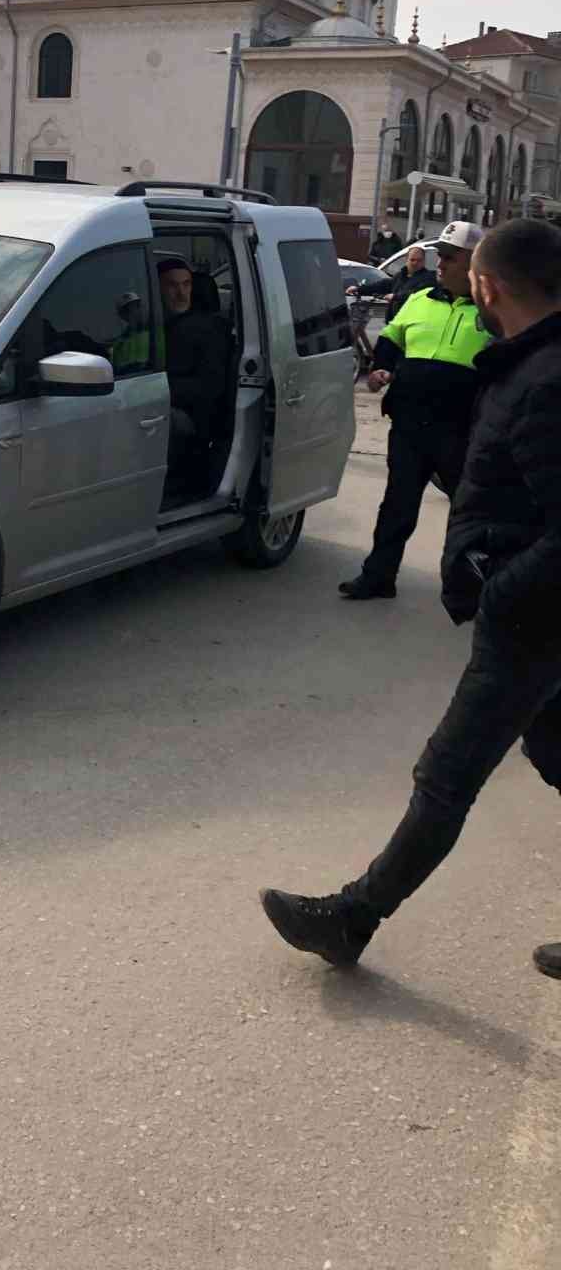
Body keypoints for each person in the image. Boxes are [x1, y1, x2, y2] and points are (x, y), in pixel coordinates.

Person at [261, 217, 561, 981]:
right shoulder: (533, 363)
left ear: (489, 285)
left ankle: (351, 917)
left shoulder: (544, 379)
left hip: (533, 621)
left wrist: (500, 590)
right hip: (536, 611)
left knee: (447, 776)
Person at [339, 220, 489, 600]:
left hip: (461, 430)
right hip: (409, 423)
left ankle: (475, 589)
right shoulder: (419, 299)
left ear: (473, 263)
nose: (440, 264)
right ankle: (378, 577)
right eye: (440, 256)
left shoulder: (492, 312)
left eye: (450, 258)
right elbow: (391, 340)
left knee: (471, 514)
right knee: (397, 505)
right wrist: (380, 369)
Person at [156, 256, 230, 490]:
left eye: (186, 284)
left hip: (194, 417)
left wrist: (159, 388)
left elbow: (210, 386)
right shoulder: (152, 325)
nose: (181, 293)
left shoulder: (207, 330)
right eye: (172, 285)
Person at [385, 242, 435, 323]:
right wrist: (360, 289)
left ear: (424, 261)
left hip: (412, 322)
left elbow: (415, 293)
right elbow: (386, 284)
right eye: (412, 260)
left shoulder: (428, 278)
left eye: (419, 260)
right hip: (393, 322)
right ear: (406, 260)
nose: (415, 263)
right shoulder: (401, 275)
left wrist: (395, 296)